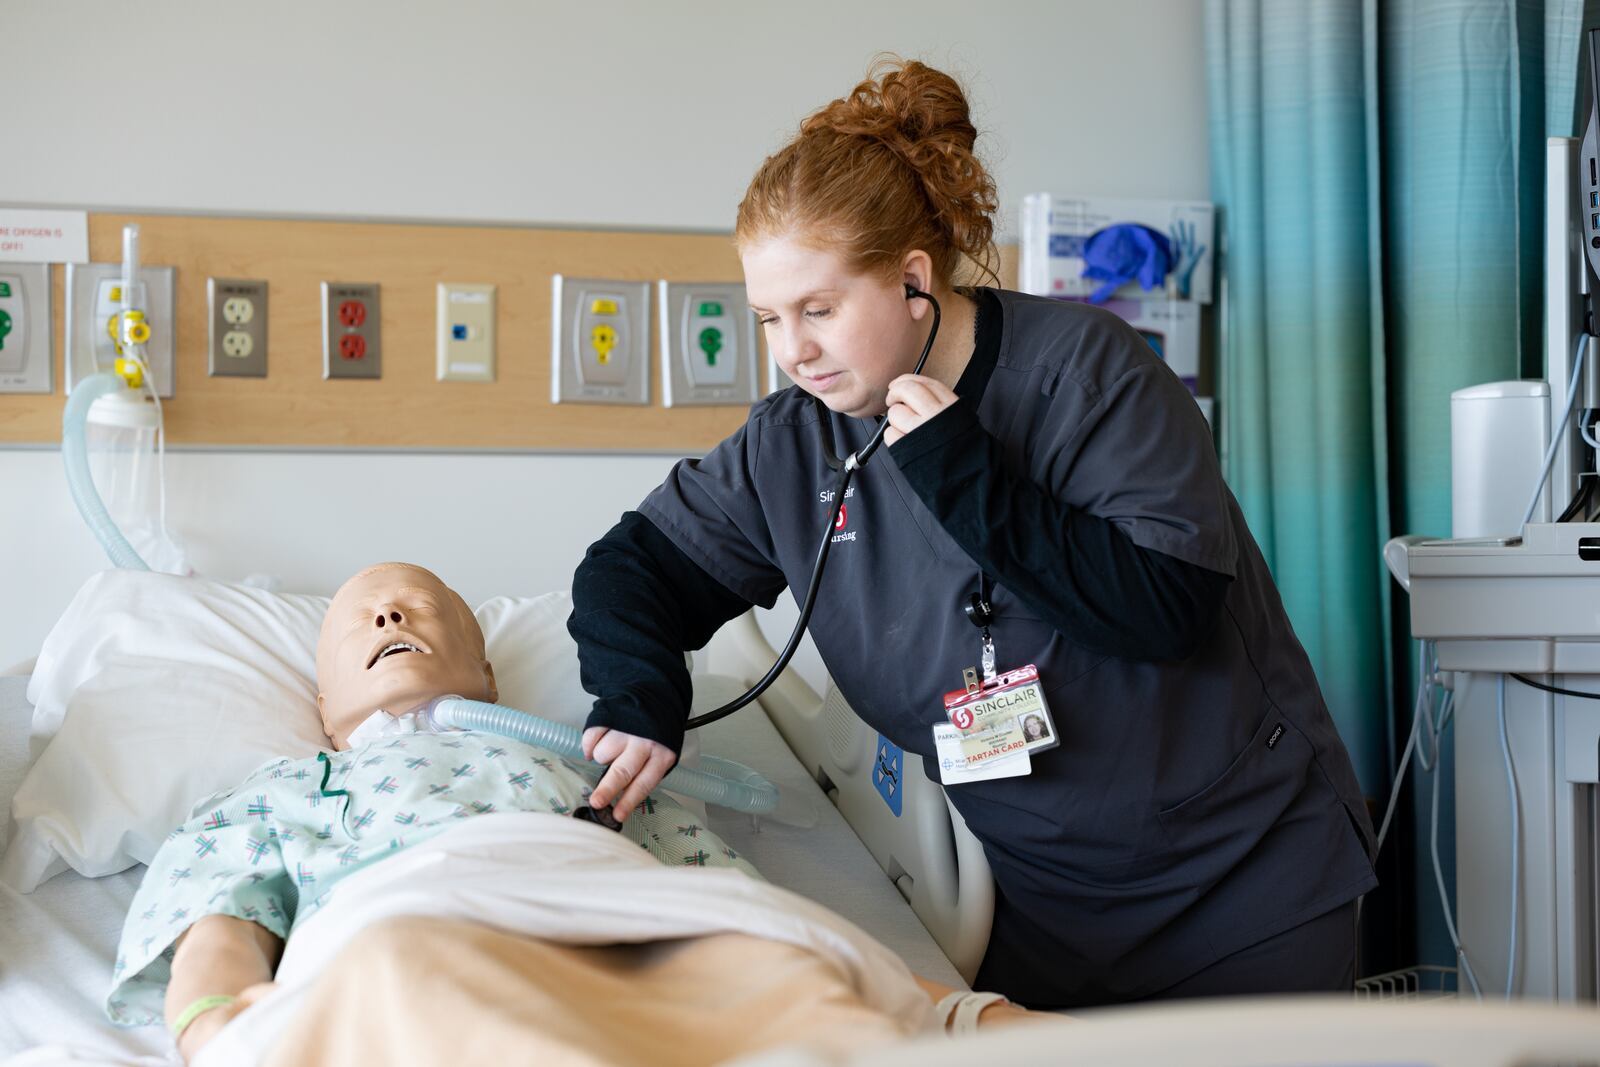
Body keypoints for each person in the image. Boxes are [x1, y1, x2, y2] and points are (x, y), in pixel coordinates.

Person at [568, 57, 1378, 1010]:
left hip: (1241, 889)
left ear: (914, 280)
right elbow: (632, 570)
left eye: (819, 310)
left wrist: (963, 473)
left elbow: (1163, 609)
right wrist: (638, 692)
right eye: (769, 318)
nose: (793, 351)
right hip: (1042, 915)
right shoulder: (794, 445)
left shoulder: (1087, 375)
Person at [108, 563, 1036, 1063]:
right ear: (319, 703)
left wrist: (928, 1002)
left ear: (489, 677)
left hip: (632, 919)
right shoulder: (279, 790)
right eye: (366, 619)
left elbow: (724, 899)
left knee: (778, 983)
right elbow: (219, 930)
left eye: (421, 608)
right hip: (412, 930)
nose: (392, 619)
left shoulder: (583, 762)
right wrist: (220, 1031)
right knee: (408, 981)